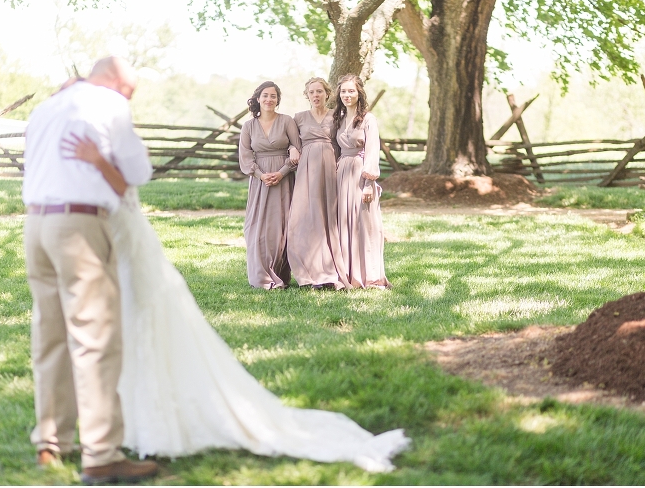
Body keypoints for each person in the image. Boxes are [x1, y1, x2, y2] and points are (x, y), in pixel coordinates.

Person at [62, 137, 412, 472]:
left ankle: (144, 423)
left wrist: (97, 162)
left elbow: (134, 177)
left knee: (148, 323)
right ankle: (123, 420)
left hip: (124, 236)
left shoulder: (113, 138)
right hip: (105, 239)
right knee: (123, 327)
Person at [22, 56, 159, 485]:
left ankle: (51, 442)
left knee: (50, 335)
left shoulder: (45, 107)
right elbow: (138, 171)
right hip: (78, 224)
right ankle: (101, 454)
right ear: (114, 80)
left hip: (36, 223)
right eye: (129, 90)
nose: (128, 98)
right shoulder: (108, 102)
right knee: (94, 336)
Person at [287, 77, 351, 290]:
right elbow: (290, 141)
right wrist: (292, 148)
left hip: (330, 167)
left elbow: (343, 141)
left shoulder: (337, 116)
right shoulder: (298, 118)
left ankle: (329, 271)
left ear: (327, 94)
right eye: (312, 92)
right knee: (305, 217)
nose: (316, 95)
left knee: (327, 216)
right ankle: (309, 271)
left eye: (319, 91)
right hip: (306, 169)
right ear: (307, 95)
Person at [238, 81, 301, 289]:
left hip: (284, 180)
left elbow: (298, 149)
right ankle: (261, 274)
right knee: (256, 227)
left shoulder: (287, 121)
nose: (269, 99)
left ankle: (281, 272)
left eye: (273, 96)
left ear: (278, 100)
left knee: (281, 226)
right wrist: (261, 175)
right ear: (258, 98)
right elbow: (245, 156)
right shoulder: (248, 126)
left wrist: (282, 172)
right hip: (260, 182)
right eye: (265, 95)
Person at [333, 74, 391, 289]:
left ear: (359, 94)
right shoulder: (338, 119)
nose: (347, 95)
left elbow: (372, 151)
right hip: (342, 174)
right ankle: (348, 273)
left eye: (351, 91)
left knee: (364, 224)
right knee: (345, 223)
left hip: (360, 174)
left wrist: (368, 183)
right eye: (343, 91)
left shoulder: (368, 119)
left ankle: (369, 275)